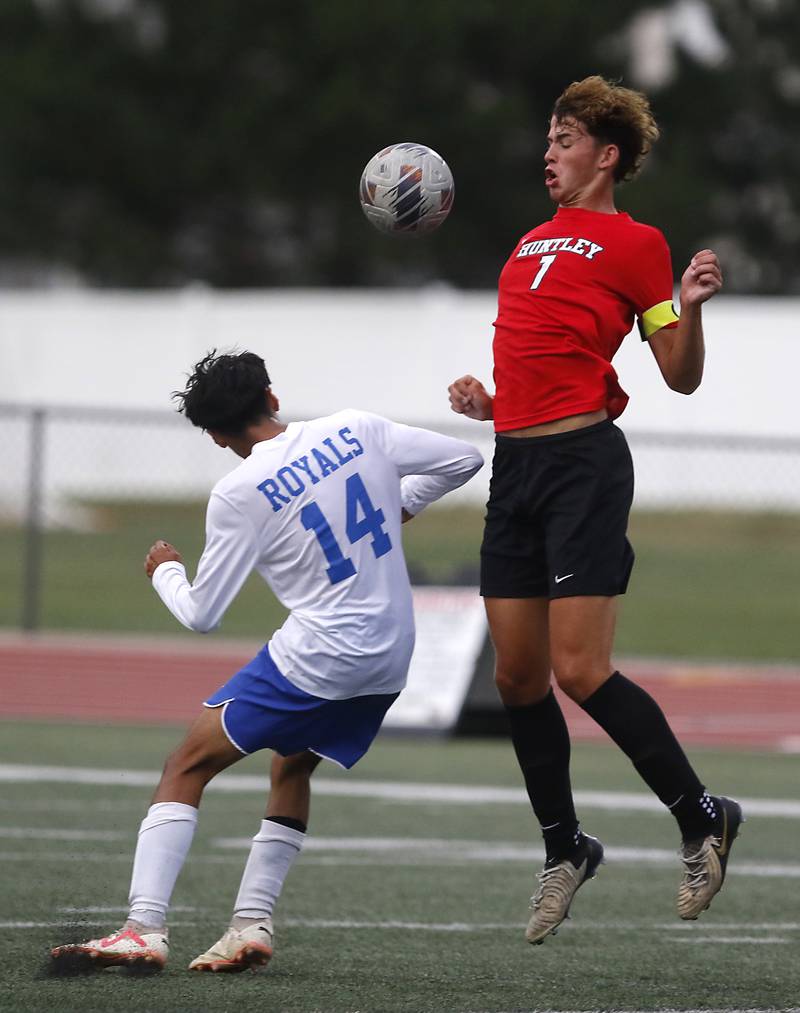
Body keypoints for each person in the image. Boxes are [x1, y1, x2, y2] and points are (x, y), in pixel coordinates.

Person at [52, 349, 482, 974]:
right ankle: (250, 923)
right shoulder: (355, 426)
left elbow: (202, 613)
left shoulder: (237, 491)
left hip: (322, 653)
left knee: (186, 765)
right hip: (392, 653)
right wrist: (396, 506)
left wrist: (166, 570)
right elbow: (465, 458)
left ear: (217, 435)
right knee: (292, 766)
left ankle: (143, 928)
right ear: (273, 399)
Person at [447, 75, 742, 945]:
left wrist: (687, 311)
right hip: (517, 465)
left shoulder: (637, 243)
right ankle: (565, 845)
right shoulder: (527, 243)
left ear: (606, 155)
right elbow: (541, 368)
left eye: (565, 138)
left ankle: (702, 814)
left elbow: (678, 374)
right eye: (548, 137)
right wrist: (489, 401)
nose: (550, 152)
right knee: (515, 677)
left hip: (583, 467)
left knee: (581, 669)